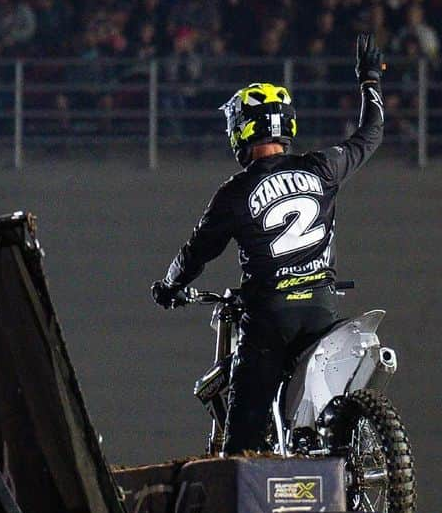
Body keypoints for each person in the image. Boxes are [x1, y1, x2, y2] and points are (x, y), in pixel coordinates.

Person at [150, 34, 385, 454]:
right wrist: (369, 80)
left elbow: (194, 254)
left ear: (242, 129)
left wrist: (168, 287)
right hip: (321, 309)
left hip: (269, 318)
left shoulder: (235, 192)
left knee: (243, 433)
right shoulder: (323, 167)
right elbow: (370, 134)